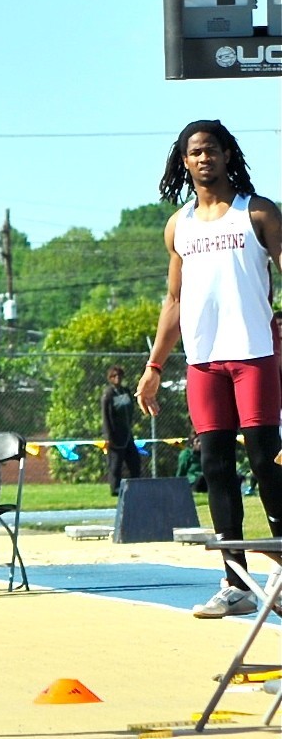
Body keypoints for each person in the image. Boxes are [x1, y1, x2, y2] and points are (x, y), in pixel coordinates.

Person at [137, 120, 282, 620]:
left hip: (254, 355)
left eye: (212, 150)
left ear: (227, 154)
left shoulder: (257, 212)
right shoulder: (178, 225)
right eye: (195, 152)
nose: (204, 158)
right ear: (184, 161)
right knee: (215, 467)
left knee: (265, 461)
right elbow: (174, 300)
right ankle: (235, 583)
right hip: (203, 362)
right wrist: (154, 365)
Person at [100, 365, 142, 496]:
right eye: (114, 376)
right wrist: (108, 436)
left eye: (119, 375)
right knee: (116, 463)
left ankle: (136, 484)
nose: (117, 378)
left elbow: (130, 409)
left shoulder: (126, 391)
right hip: (115, 435)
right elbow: (106, 416)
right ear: (110, 378)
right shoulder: (108, 394)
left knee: (134, 460)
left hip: (127, 434)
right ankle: (115, 488)